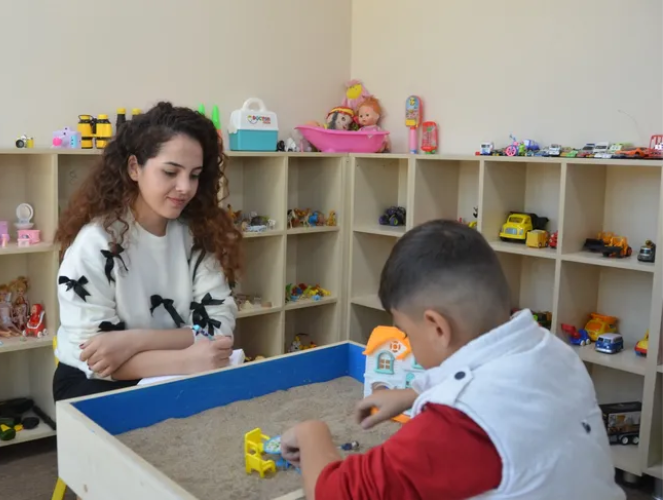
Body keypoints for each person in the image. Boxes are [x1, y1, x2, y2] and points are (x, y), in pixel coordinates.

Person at [280, 219, 625, 500]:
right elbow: (490, 379)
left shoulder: (457, 423)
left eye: (406, 332)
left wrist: (312, 434)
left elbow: (337, 493)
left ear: (437, 327)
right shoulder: (552, 350)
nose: (408, 342)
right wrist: (412, 395)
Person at [53, 102, 240, 402]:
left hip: (177, 368)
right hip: (94, 382)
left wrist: (134, 340)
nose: (185, 187)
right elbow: (94, 358)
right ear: (134, 168)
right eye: (170, 172)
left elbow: (219, 326)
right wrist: (185, 360)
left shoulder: (197, 235)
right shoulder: (95, 242)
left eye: (194, 175)